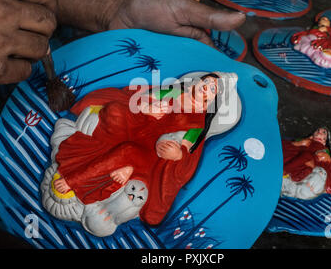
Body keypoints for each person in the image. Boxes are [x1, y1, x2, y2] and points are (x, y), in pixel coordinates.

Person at [0, 0, 245, 228]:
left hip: (140, 149)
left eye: (208, 92)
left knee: (130, 154)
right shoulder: (175, 95)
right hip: (123, 126)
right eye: (203, 85)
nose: (201, 90)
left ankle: (83, 180)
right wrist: (148, 104)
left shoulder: (196, 120)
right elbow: (140, 100)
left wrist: (115, 3)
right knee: (117, 112)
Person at [50, 73, 225, 225]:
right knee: (115, 110)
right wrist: (147, 108)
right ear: (197, 82)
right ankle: (122, 164)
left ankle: (73, 179)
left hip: (150, 151)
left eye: (212, 89)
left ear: (212, 100)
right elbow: (142, 99)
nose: (207, 87)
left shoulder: (198, 123)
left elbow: (186, 150)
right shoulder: (175, 91)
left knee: (128, 151)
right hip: (138, 125)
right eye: (207, 82)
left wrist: (176, 153)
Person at [282, 127, 331, 196]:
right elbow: (286, 146)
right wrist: (298, 144)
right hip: (290, 164)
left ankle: (283, 172)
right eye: (317, 130)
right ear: (312, 135)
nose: (319, 132)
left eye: (323, 132)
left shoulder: (323, 152)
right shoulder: (305, 142)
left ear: (324, 141)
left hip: (304, 174)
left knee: (307, 156)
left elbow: (328, 174)